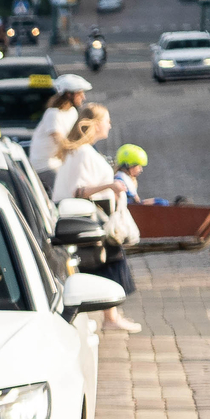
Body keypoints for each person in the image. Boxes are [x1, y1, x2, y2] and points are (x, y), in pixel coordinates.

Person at [52, 106, 139, 332]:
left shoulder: (83, 151)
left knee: (107, 258)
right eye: (107, 120)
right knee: (107, 258)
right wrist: (110, 185)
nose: (110, 125)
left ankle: (111, 316)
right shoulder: (82, 152)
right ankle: (111, 316)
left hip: (85, 217)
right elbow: (79, 191)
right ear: (95, 124)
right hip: (83, 218)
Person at [28, 78, 88, 175]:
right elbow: (60, 141)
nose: (83, 97)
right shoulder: (53, 114)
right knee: (66, 188)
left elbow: (74, 137)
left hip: (59, 164)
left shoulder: (72, 112)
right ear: (69, 94)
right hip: (45, 166)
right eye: (80, 94)